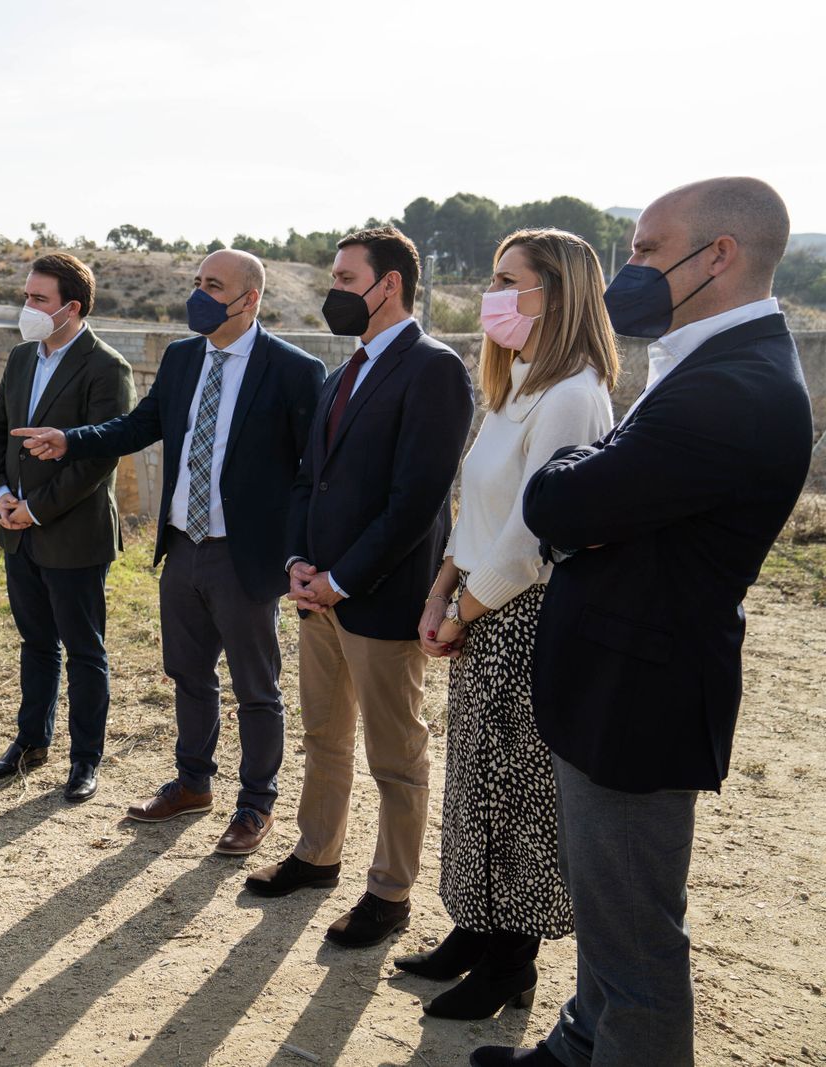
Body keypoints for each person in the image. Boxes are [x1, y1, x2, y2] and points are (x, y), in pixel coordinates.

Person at [472, 179, 813, 1066]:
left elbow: (561, 500)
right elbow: (597, 488)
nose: (630, 268)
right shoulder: (709, 365)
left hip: (641, 694)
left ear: (720, 257)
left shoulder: (731, 387)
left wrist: (579, 473)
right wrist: (594, 473)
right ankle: (580, 1043)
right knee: (609, 915)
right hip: (621, 680)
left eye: (646, 251)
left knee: (637, 946)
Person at [13, 249, 326, 856]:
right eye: (197, 282)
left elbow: (308, 474)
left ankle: (255, 803)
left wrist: (299, 553)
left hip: (245, 556)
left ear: (249, 298)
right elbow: (136, 427)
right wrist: (69, 440)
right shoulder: (183, 359)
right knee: (188, 673)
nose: (199, 294)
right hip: (184, 546)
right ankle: (192, 782)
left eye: (214, 285)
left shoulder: (293, 370)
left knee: (256, 686)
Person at [397, 229, 618, 1021]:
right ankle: (474, 929)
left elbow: (533, 536)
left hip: (523, 617)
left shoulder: (573, 393)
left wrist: (461, 609)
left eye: (506, 280)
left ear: (553, 294)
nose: (491, 294)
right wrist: (440, 593)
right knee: (477, 783)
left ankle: (510, 963)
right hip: (479, 609)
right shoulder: (516, 383)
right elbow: (476, 508)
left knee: (518, 792)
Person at [244, 226, 475, 950]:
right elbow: (309, 479)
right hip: (319, 599)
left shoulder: (434, 368)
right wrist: (298, 564)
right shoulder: (342, 371)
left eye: (345, 280)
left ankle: (390, 891)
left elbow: (416, 499)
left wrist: (343, 579)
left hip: (379, 599)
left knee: (395, 755)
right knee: (324, 735)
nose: (332, 293)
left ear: (389, 285)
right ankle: (317, 855)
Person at [0, 252, 135, 802]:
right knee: (36, 643)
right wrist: (0, 493)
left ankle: (84, 760)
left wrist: (37, 508)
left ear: (70, 308)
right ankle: (30, 743)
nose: (27, 307)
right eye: (26, 296)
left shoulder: (106, 367)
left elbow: (98, 460)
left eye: (38, 299)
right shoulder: (22, 357)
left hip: (72, 533)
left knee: (84, 649)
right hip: (16, 529)